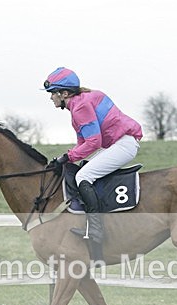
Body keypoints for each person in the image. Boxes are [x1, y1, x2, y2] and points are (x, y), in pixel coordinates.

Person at [43, 67, 143, 261]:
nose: (51, 98)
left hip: (123, 144)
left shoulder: (80, 106)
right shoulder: (82, 101)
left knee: (83, 176)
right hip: (118, 142)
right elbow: (84, 143)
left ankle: (97, 230)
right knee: (83, 169)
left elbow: (93, 142)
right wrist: (67, 158)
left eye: (52, 93)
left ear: (64, 93)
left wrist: (67, 157)